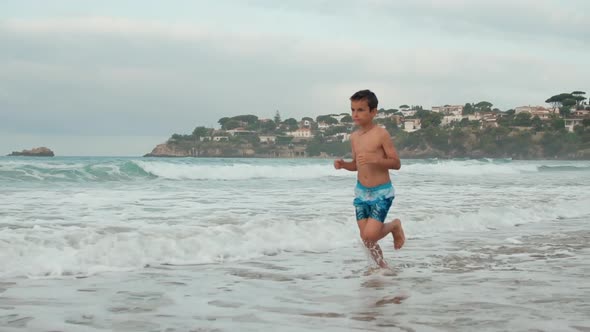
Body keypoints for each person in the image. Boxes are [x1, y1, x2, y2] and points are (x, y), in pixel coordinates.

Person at [334, 89, 405, 268]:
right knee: (366, 238)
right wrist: (344, 165)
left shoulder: (381, 134)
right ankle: (383, 268)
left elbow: (396, 163)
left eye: (360, 110)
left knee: (370, 235)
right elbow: (357, 165)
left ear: (373, 112)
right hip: (361, 193)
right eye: (353, 110)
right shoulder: (354, 138)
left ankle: (394, 226)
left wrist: (376, 159)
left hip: (381, 192)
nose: (355, 114)